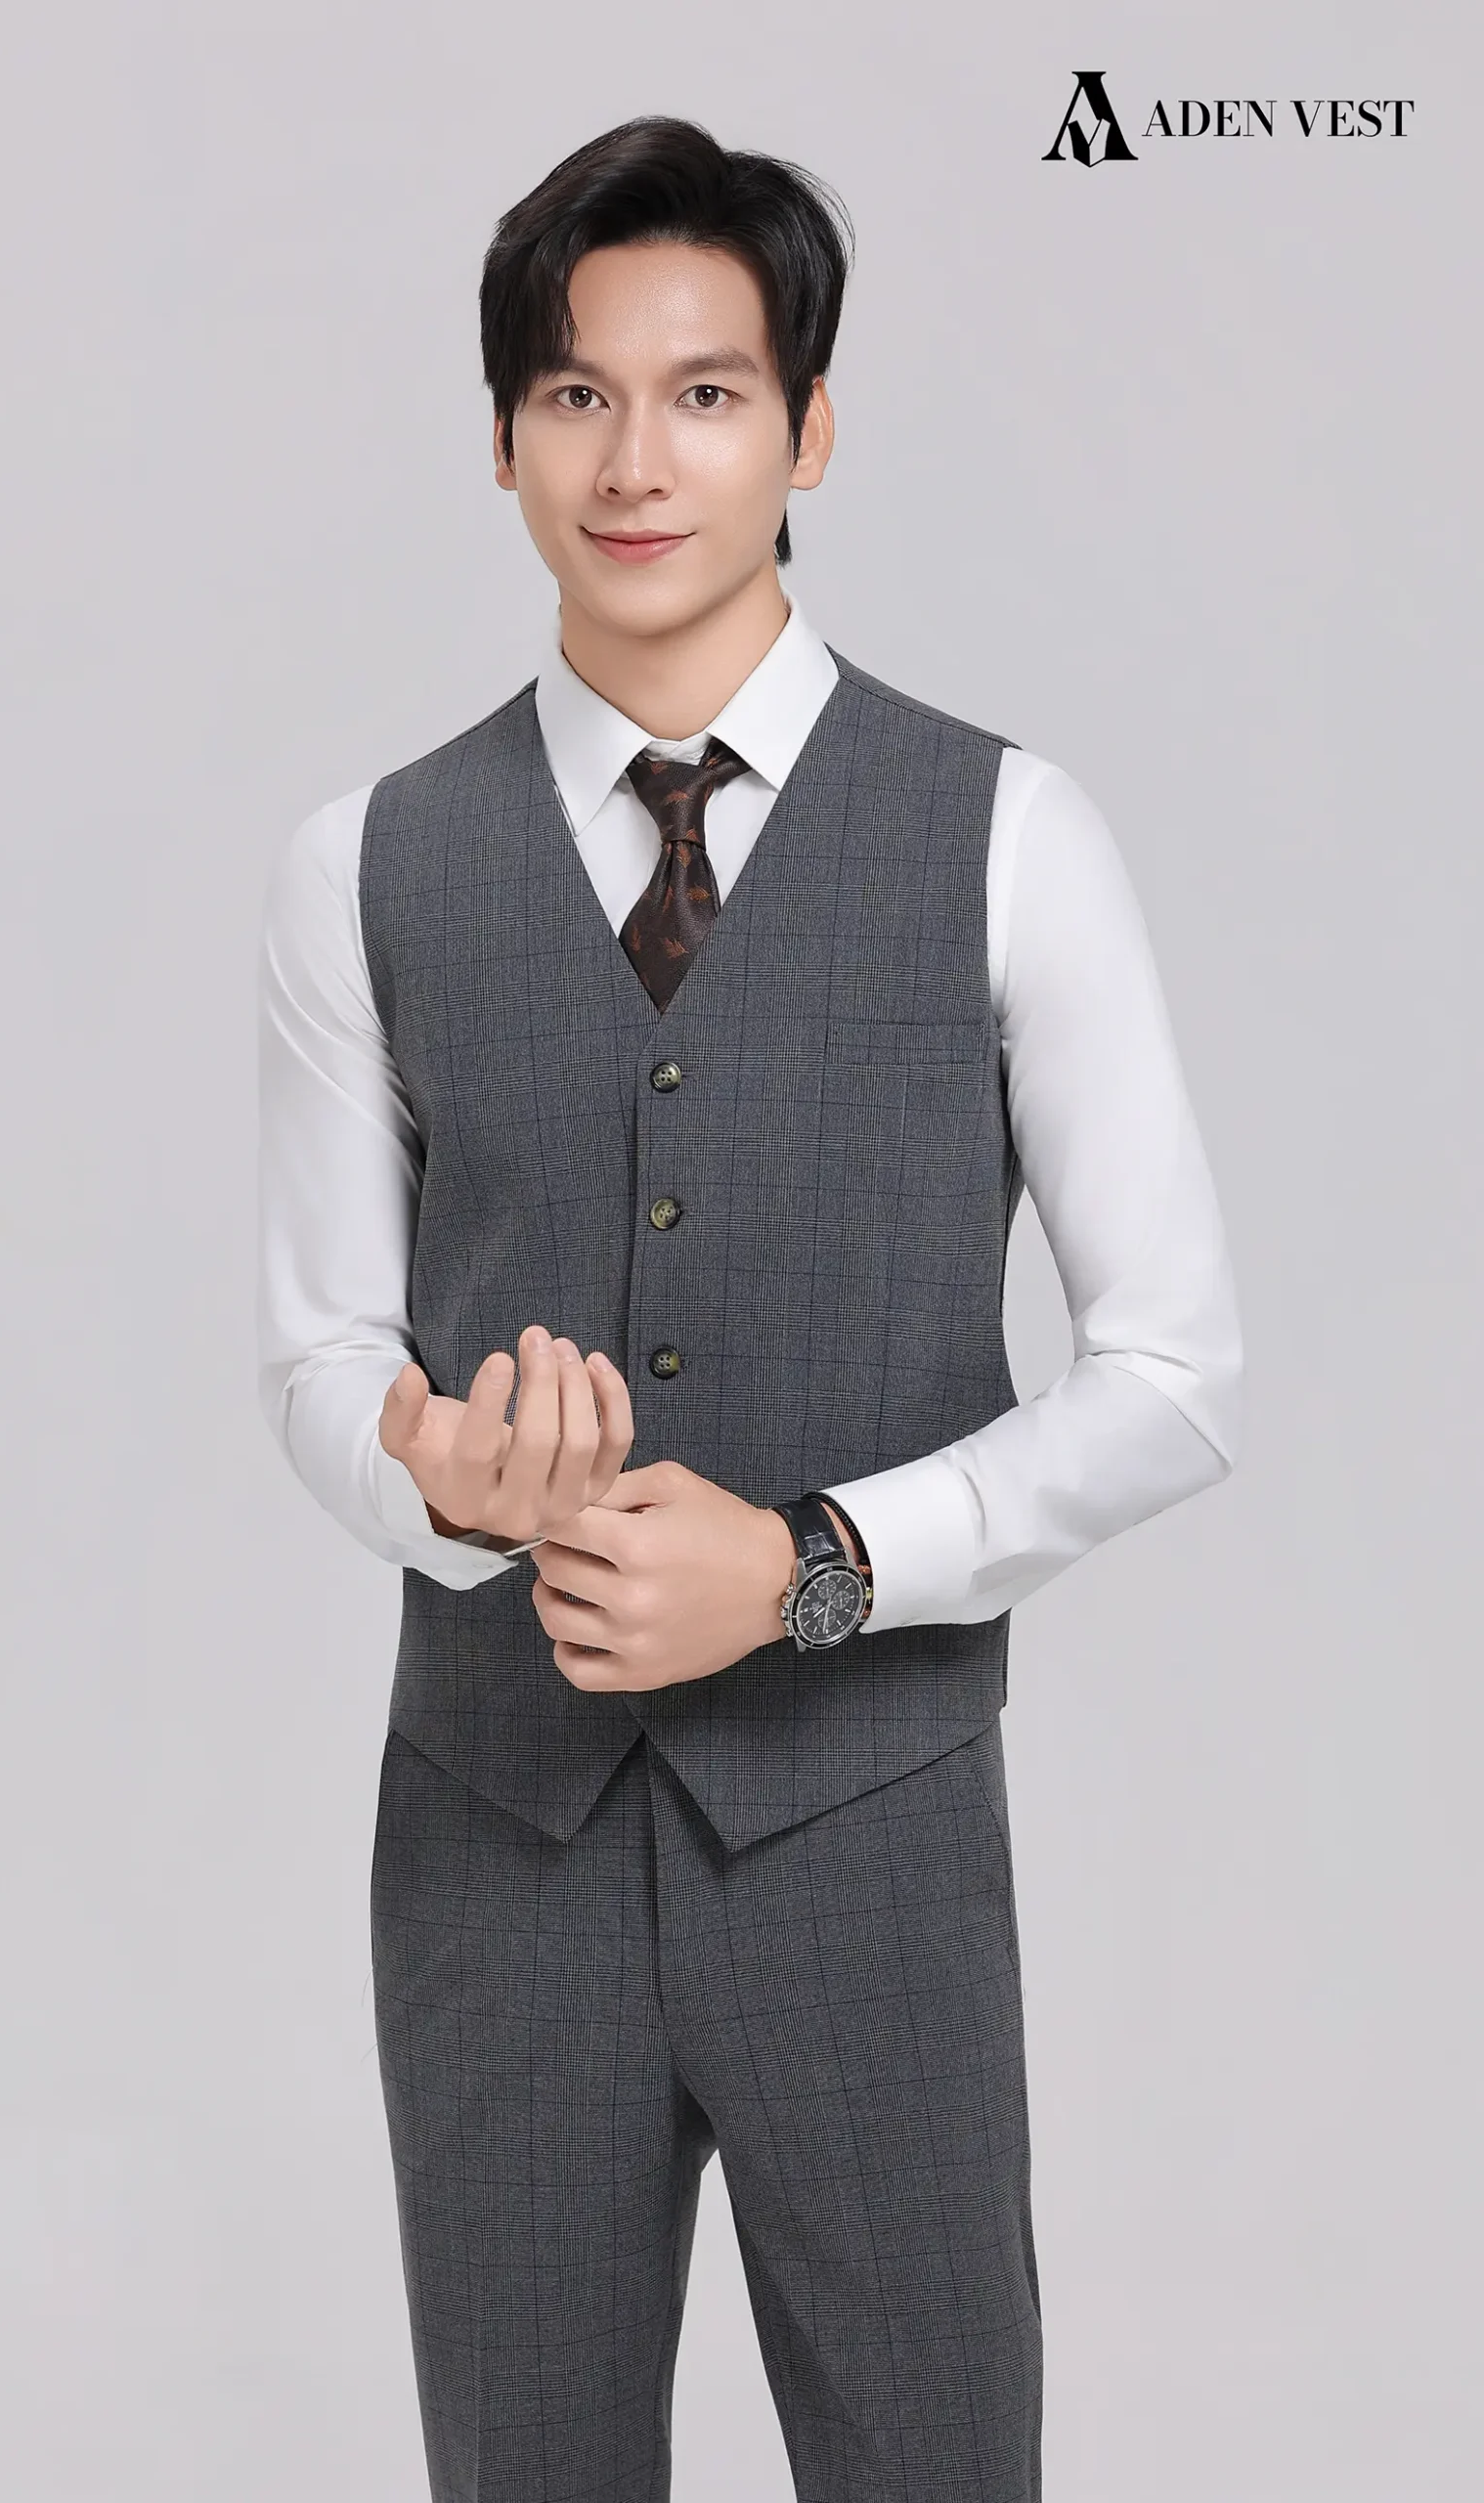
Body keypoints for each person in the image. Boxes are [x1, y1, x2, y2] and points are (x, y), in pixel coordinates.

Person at [256, 113, 1243, 2503]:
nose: (634, 459)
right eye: (574, 395)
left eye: (702, 393)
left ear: (806, 430)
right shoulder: (362, 863)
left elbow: (1173, 1370)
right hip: (492, 1844)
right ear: (503, 437)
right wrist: (436, 1474)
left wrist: (808, 1562)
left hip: (866, 1844)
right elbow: (317, 1350)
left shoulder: (1008, 834)